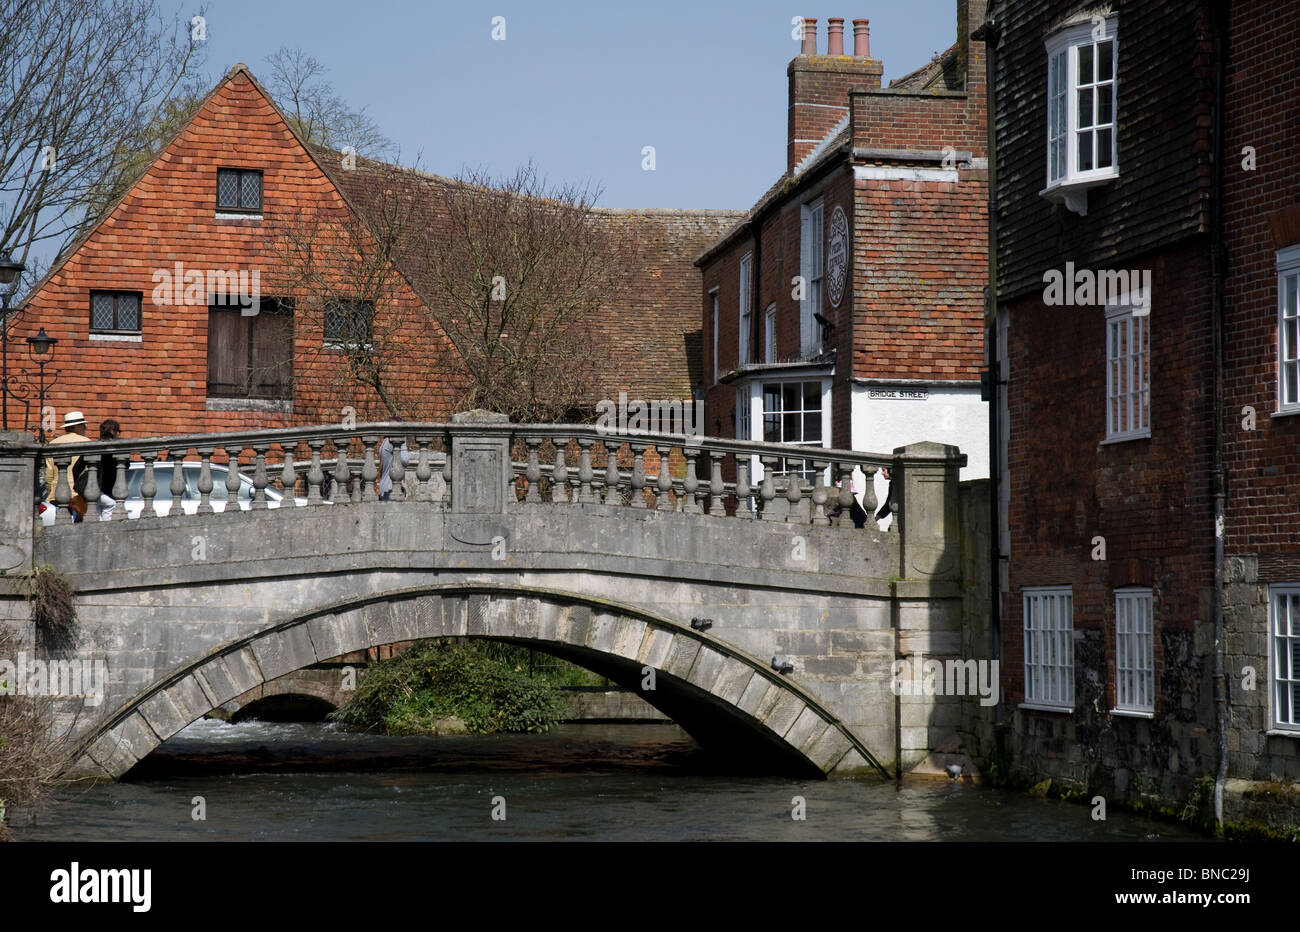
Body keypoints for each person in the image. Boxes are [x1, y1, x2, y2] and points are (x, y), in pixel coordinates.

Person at [43, 411, 90, 523]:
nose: (85, 428)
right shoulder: (87, 443)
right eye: (83, 425)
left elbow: (49, 474)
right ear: (76, 427)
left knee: (60, 524)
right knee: (80, 526)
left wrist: (51, 491)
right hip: (78, 494)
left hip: (57, 492)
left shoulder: (53, 444)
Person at [96, 419, 121, 520]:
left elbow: (76, 468)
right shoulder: (114, 449)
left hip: (95, 490)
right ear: (112, 431)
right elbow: (126, 464)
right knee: (111, 505)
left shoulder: (94, 447)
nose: (119, 434)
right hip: (106, 490)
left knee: (96, 518)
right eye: (118, 431)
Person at [378, 437, 410, 501]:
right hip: (391, 488)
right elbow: (405, 460)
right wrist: (403, 444)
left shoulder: (385, 442)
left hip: (385, 487)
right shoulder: (393, 442)